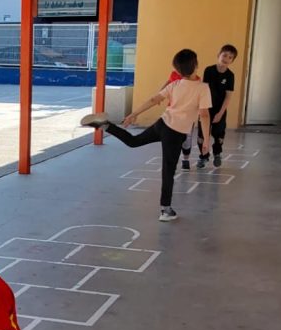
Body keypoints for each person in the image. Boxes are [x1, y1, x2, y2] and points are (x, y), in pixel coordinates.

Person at [81, 49, 212, 222]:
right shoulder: (203, 88)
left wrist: (133, 114)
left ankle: (106, 125)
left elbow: (153, 100)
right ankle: (166, 210)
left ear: (178, 70)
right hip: (176, 133)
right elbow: (204, 115)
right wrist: (206, 140)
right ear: (196, 65)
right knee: (168, 170)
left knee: (134, 141)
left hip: (162, 124)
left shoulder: (175, 84)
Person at [195, 44, 237, 169]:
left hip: (220, 109)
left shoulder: (230, 76)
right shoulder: (209, 70)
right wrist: (201, 108)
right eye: (224, 55)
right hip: (206, 107)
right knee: (202, 134)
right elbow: (204, 90)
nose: (226, 59)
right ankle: (203, 156)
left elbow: (228, 96)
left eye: (230, 57)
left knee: (219, 133)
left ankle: (217, 153)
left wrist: (220, 113)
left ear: (232, 60)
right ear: (218, 55)